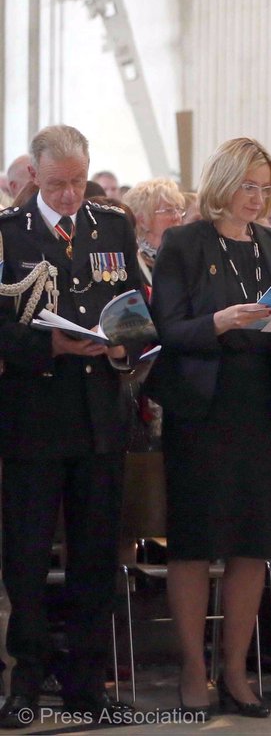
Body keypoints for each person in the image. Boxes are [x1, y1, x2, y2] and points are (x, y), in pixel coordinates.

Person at [147, 137, 271, 717]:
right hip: (202, 408)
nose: (257, 198)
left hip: (260, 407)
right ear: (224, 184)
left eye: (264, 188)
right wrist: (219, 322)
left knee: (253, 543)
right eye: (248, 186)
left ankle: (236, 670)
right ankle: (193, 670)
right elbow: (168, 329)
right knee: (195, 543)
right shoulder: (185, 242)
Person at [0, 125, 141, 726]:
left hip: (100, 419)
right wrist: (48, 347)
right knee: (28, 556)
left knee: (95, 557)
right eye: (57, 183)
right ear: (34, 175)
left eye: (79, 182)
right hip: (34, 416)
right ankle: (26, 681)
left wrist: (123, 349)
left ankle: (88, 681)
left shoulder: (113, 225)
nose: (69, 195)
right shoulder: (9, 233)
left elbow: (134, 304)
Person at [124, 177, 187, 290]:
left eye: (178, 209)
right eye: (169, 210)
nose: (177, 217)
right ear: (142, 221)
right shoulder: (131, 262)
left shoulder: (185, 259)